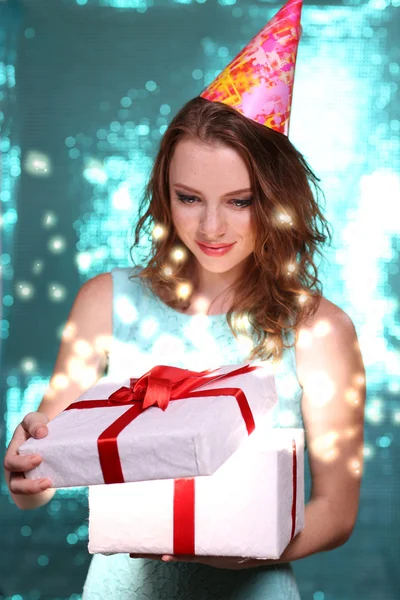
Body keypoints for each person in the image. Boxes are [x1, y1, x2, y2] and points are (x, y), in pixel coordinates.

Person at [4, 0, 366, 598]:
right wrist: (25, 472)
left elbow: (337, 511)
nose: (212, 227)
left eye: (240, 200)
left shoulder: (320, 330)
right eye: (189, 197)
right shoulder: (105, 303)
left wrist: (247, 553)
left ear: (275, 199)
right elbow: (44, 473)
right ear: (164, 195)